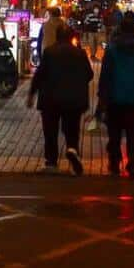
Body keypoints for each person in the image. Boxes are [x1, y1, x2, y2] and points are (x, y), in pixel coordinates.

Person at [29, 24, 93, 175]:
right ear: (71, 37)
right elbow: (89, 74)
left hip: (50, 98)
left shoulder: (49, 52)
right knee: (72, 129)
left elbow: (40, 75)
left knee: (50, 130)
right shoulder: (80, 53)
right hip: (74, 99)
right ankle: (72, 149)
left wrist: (31, 94)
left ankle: (51, 162)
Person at [99, 15, 134, 178]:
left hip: (115, 98)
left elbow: (105, 75)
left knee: (114, 134)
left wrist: (102, 97)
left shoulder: (112, 49)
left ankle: (114, 163)